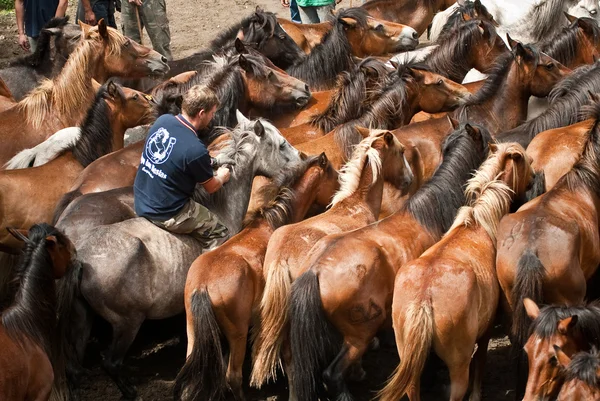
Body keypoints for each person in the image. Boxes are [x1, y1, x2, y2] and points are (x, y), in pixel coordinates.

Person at [134, 85, 231, 250]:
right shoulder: (196, 149)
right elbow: (211, 187)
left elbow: (177, 156)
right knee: (220, 233)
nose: (213, 117)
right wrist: (222, 176)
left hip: (141, 199)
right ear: (201, 113)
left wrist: (211, 162)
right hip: (165, 212)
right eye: (212, 113)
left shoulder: (163, 120)